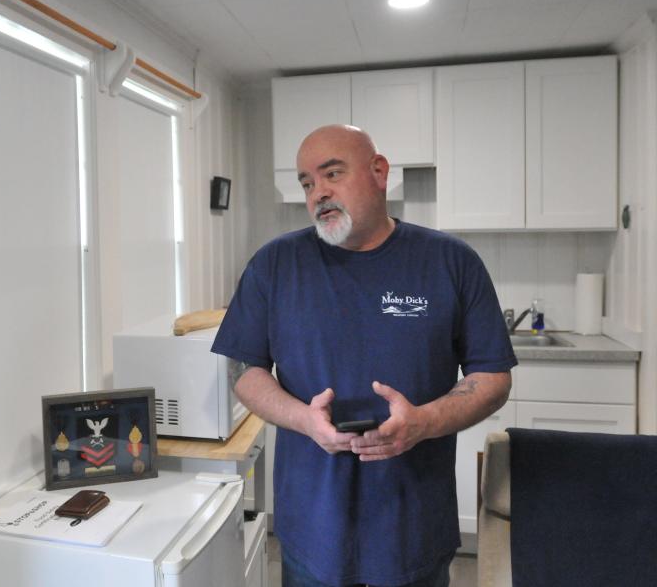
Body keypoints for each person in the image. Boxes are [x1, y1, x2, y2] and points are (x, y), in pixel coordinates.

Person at [211, 125, 515, 587]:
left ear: (379, 172)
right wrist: (302, 418)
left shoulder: (451, 261)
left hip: (412, 523)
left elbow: (493, 375)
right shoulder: (274, 265)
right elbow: (242, 367)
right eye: (307, 182)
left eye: (332, 173)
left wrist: (424, 421)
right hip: (312, 528)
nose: (319, 193)